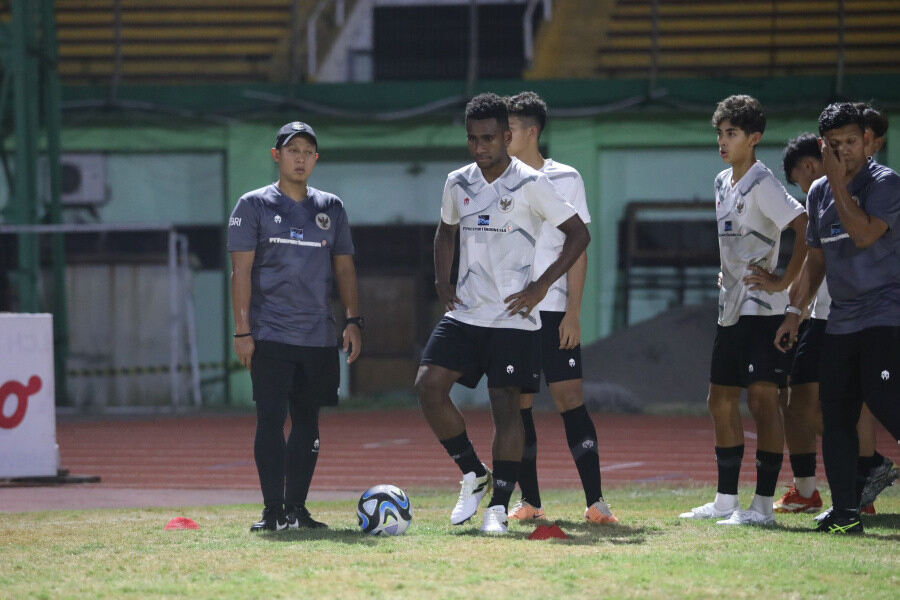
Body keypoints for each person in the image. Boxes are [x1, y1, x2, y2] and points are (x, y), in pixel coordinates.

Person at [415, 93, 590, 535]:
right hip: (468, 311)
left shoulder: (531, 183)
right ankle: (473, 472)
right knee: (428, 386)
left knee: (506, 408)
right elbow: (445, 230)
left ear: (508, 137)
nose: (479, 147)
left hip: (515, 316)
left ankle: (498, 507)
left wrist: (542, 285)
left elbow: (578, 235)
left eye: (489, 138)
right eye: (472, 139)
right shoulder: (458, 181)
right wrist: (441, 280)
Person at [679, 95, 808, 526]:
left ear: (754, 138)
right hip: (730, 309)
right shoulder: (721, 182)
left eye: (731, 133)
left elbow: (802, 225)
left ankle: (764, 507)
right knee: (719, 400)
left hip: (764, 311)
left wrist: (784, 281)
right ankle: (724, 501)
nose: (722, 140)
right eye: (719, 133)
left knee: (763, 402)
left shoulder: (763, 183)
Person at [227, 121, 363, 532]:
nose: (300, 158)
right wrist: (242, 330)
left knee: (308, 422)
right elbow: (241, 273)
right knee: (270, 418)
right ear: (276, 156)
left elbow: (345, 269)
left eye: (307, 152)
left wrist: (353, 321)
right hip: (269, 334)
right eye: (292, 151)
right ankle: (272, 512)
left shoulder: (331, 208)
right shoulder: (252, 206)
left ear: (315, 159)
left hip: (318, 337)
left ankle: (296, 509)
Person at [774, 102, 900, 534]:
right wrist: (795, 312)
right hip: (841, 321)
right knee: (838, 413)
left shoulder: (885, 183)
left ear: (867, 141)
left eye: (851, 141)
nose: (844, 150)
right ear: (823, 144)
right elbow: (815, 260)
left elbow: (864, 234)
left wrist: (839, 184)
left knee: (887, 404)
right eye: (835, 144)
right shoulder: (817, 193)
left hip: (886, 315)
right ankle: (846, 513)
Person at [503, 91, 616, 525]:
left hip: (553, 311)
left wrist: (573, 312)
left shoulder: (565, 177)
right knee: (521, 404)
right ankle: (530, 501)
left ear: (531, 131)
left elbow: (579, 247)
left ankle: (596, 502)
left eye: (509, 128)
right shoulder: (499, 179)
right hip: (515, 314)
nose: (503, 135)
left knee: (570, 399)